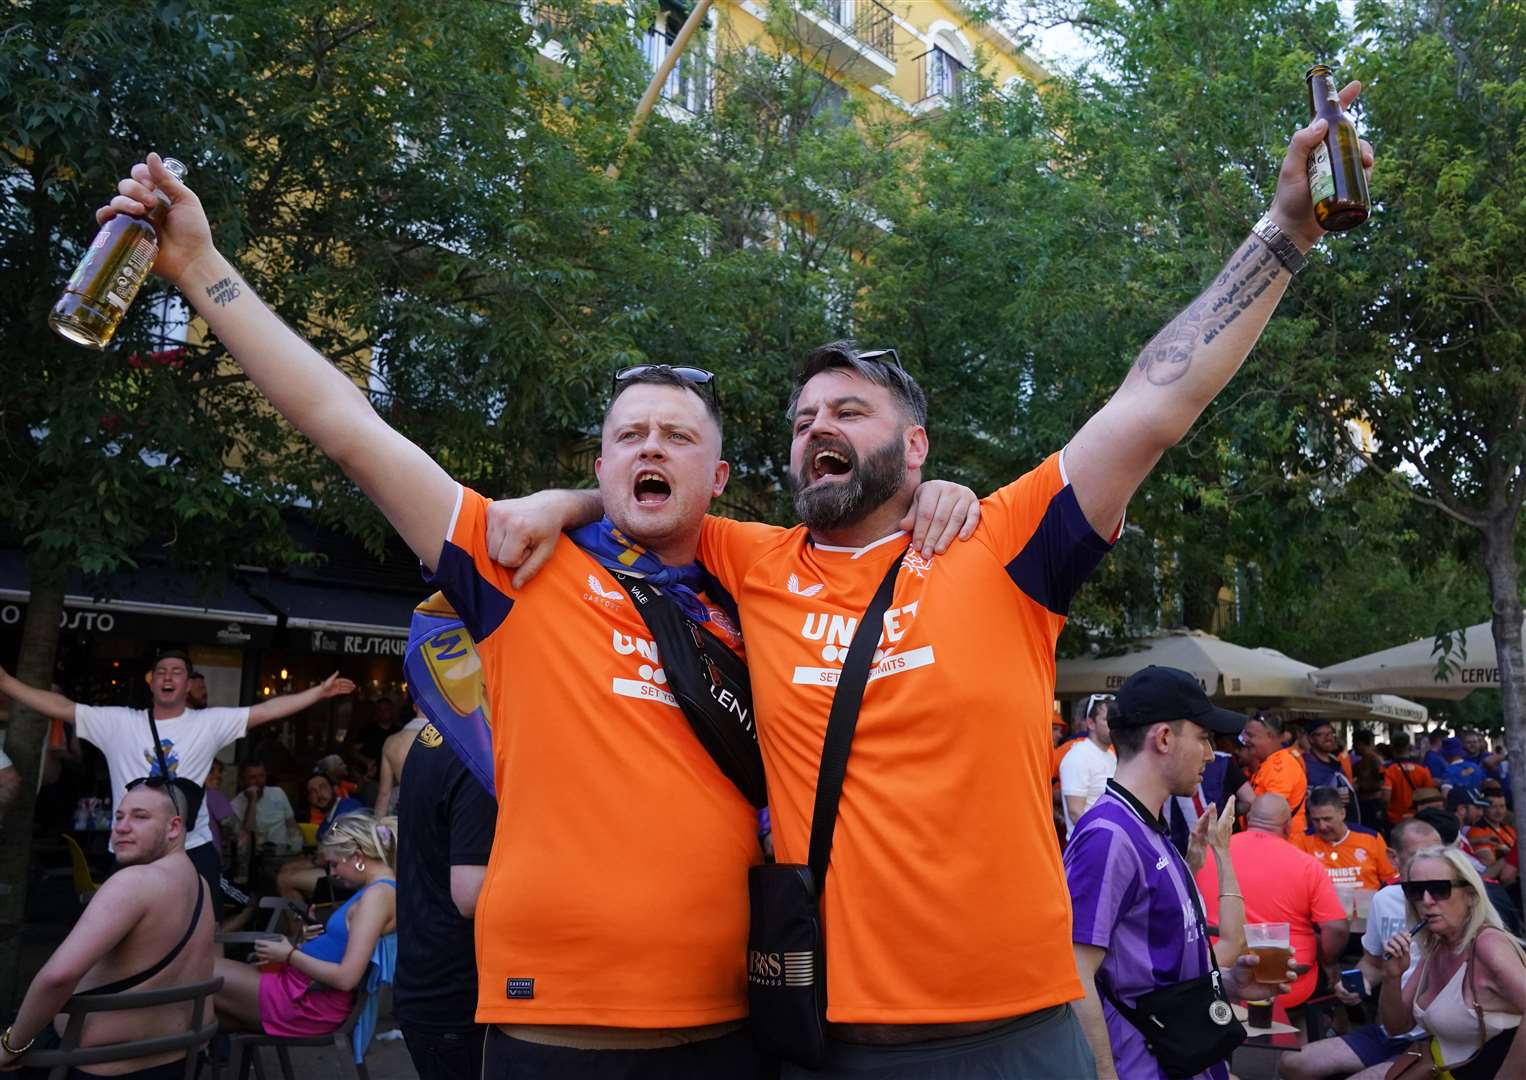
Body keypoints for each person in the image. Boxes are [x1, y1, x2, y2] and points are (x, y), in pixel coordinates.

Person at [492, 91, 1377, 1074]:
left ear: (913, 447)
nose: (816, 425)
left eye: (847, 410)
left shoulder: (1001, 540)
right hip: (826, 1041)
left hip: (1011, 1032)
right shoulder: (750, 558)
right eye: (799, 418)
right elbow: (652, 493)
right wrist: (565, 500)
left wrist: (1284, 232)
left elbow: (1155, 397)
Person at [101, 151, 977, 1079]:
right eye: (628, 436)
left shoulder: (761, 584)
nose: (652, 446)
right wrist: (199, 266)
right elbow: (344, 423)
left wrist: (935, 493)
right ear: (598, 471)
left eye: (679, 437)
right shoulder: (517, 564)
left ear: (716, 480)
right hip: (552, 1031)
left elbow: (858, 544)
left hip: (735, 1026)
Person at [1065, 665, 1295, 1080]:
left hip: (1183, 1057)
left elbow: (1150, 972)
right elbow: (1074, 972)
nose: (1211, 754)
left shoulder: (1147, 824)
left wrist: (1229, 982)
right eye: (1204, 737)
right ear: (1165, 738)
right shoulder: (1108, 835)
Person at [0, 653, 354, 919]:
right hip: (131, 848)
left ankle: (192, 1011)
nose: (168, 677)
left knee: (202, 927)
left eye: (178, 672)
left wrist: (317, 694)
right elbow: (59, 706)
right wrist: (5, 682)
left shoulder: (208, 723)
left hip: (192, 847)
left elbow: (267, 710)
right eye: (162, 672)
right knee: (119, 932)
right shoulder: (118, 723)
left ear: (188, 685)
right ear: (151, 682)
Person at [0, 783, 214, 1078]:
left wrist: (11, 1045)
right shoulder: (199, 883)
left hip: (100, 1065)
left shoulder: (135, 882)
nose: (122, 828)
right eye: (119, 816)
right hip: (175, 1062)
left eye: (140, 817)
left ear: (174, 827)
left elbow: (57, 977)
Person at [1279, 817, 1443, 1080]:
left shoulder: (1450, 901)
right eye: (1417, 856)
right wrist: (1354, 982)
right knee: (1292, 1062)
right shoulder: (1385, 899)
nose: (1428, 865)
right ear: (1393, 858)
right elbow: (1373, 963)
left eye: (1436, 855)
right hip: (1390, 1029)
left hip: (1434, 1037)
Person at [212, 813, 397, 1039]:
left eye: (334, 864)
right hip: (299, 991)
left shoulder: (377, 895)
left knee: (199, 972)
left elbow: (346, 978)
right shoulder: (377, 890)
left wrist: (289, 954)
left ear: (357, 856)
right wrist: (312, 942)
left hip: (306, 1002)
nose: (333, 873)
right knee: (195, 1014)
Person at [394, 720, 497, 1080]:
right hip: (456, 996)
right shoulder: (480, 756)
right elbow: (469, 894)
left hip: (431, 984)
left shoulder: (439, 733)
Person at [1377, 847, 1526, 1078]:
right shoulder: (1435, 946)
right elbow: (1397, 1026)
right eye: (1415, 891)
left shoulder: (1488, 945)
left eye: (1439, 889)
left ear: (1470, 894)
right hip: (1439, 1068)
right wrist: (1392, 977)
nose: (1426, 901)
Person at [1196, 793, 1349, 1012]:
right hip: (1284, 986)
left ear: (1248, 819)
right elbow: (1336, 929)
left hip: (1215, 978)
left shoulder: (1209, 852)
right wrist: (1329, 961)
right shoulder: (1307, 865)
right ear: (1287, 827)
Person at [275, 771, 365, 902]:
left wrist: (316, 859)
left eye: (322, 787)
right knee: (285, 870)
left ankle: (303, 922)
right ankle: (306, 920)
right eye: (312, 791)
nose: (318, 794)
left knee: (284, 880)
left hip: (355, 872)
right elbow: (321, 856)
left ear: (334, 789)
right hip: (336, 870)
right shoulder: (322, 827)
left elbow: (325, 855)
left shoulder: (349, 805)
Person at [1294, 786, 1396, 893]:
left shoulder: (1371, 839)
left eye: (1327, 819)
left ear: (1342, 813)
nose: (1322, 826)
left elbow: (1391, 881)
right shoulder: (1301, 842)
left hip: (1365, 907)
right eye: (1316, 820)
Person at [230, 761, 301, 891]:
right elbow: (245, 835)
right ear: (242, 780)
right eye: (252, 777)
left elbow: (292, 825)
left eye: (261, 776)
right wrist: (252, 801)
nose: (258, 781)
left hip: (284, 854)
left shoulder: (278, 793)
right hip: (259, 860)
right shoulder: (235, 805)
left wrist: (296, 849)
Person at [1059, 693, 1116, 839]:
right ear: (1090, 723)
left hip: (1108, 842)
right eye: (1106, 719)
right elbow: (1075, 812)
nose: (1113, 723)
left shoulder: (1111, 756)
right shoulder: (1078, 756)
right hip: (1087, 845)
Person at [1243, 712, 1309, 836]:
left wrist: (1238, 807)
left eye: (1250, 735)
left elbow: (1270, 814)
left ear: (1270, 736)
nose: (1245, 740)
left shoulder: (1280, 766)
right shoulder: (1269, 763)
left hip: (1281, 846)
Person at [373, 701, 428, 815]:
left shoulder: (391, 742)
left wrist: (377, 829)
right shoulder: (448, 740)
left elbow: (384, 794)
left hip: (407, 814)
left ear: (415, 706)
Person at [1302, 718, 1358, 825]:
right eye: (1321, 734)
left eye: (1330, 733)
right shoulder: (1305, 763)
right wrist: (1330, 796)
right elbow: (1300, 797)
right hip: (1319, 826)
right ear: (1311, 739)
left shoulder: (1336, 761)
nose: (1328, 737)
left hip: (1342, 824)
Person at [1384, 732, 1434, 828]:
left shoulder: (1389, 769)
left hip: (1395, 819)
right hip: (1418, 817)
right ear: (1409, 746)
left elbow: (1386, 797)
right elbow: (1430, 796)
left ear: (1392, 747)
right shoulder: (1422, 769)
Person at [1350, 728, 1390, 835]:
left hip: (1374, 803)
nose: (1353, 746)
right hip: (1365, 802)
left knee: (1374, 832)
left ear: (1360, 743)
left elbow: (1384, 781)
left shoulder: (1375, 760)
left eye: (1354, 743)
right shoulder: (1361, 762)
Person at [1470, 783, 1517, 868]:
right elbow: (1489, 864)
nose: (1499, 811)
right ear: (1484, 808)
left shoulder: (1510, 829)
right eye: (1494, 807)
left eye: (1502, 806)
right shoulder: (1477, 832)